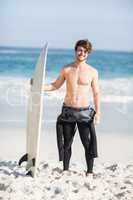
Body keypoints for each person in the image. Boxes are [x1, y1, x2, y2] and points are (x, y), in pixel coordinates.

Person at [43, 39, 101, 177]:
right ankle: (65, 169)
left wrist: (98, 112)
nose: (82, 53)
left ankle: (90, 171)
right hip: (68, 110)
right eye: (80, 50)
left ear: (88, 54)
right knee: (67, 143)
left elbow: (96, 92)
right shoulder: (67, 69)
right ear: (75, 50)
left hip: (84, 112)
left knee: (87, 143)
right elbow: (55, 85)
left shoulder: (93, 72)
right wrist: (40, 87)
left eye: (85, 51)